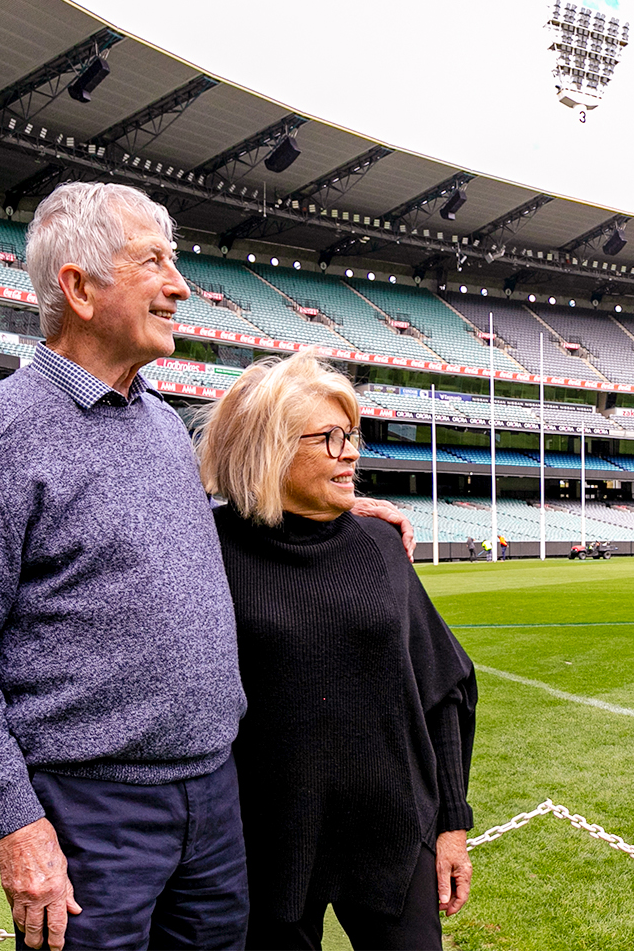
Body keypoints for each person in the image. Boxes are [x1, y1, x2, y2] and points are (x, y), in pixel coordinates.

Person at [0, 182, 413, 951]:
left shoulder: (162, 425)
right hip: (90, 811)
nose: (180, 287)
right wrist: (19, 822)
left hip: (214, 799)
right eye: (154, 263)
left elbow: (170, 538)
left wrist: (327, 509)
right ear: (78, 287)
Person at [197, 349, 477, 951]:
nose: (351, 452)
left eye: (352, 435)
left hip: (394, 835)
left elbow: (443, 693)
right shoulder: (209, 552)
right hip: (267, 844)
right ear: (271, 449)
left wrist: (452, 826)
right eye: (329, 438)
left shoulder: (379, 545)